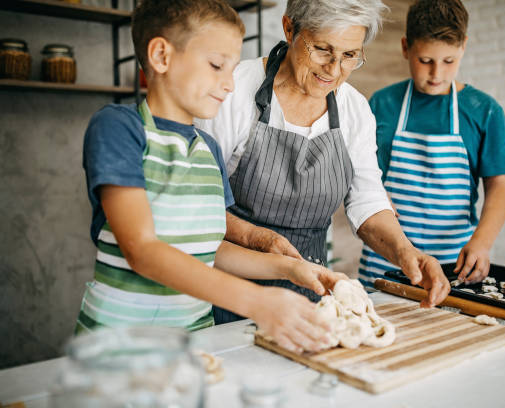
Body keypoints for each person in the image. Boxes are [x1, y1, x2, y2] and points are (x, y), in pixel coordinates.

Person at [75, 0, 346, 354]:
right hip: (118, 348)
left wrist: (291, 270)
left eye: (232, 69)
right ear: (161, 56)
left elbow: (209, 249)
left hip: (195, 344)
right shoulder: (119, 129)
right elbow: (142, 250)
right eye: (217, 65)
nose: (230, 84)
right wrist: (257, 303)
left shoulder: (208, 149)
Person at [197, 0, 450, 325]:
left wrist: (406, 252)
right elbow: (198, 205)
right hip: (223, 287)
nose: (333, 70)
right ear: (290, 29)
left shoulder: (354, 110)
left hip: (309, 293)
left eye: (349, 55)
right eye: (322, 49)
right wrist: (258, 238)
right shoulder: (232, 91)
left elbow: (368, 201)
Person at [359, 0, 505, 287]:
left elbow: (501, 185)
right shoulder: (382, 104)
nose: (437, 75)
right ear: (406, 47)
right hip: (386, 262)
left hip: (454, 264)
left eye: (448, 62)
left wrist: (482, 242)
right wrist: (377, 193)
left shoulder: (484, 110)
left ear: (463, 47)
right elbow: (364, 173)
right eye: (425, 61)